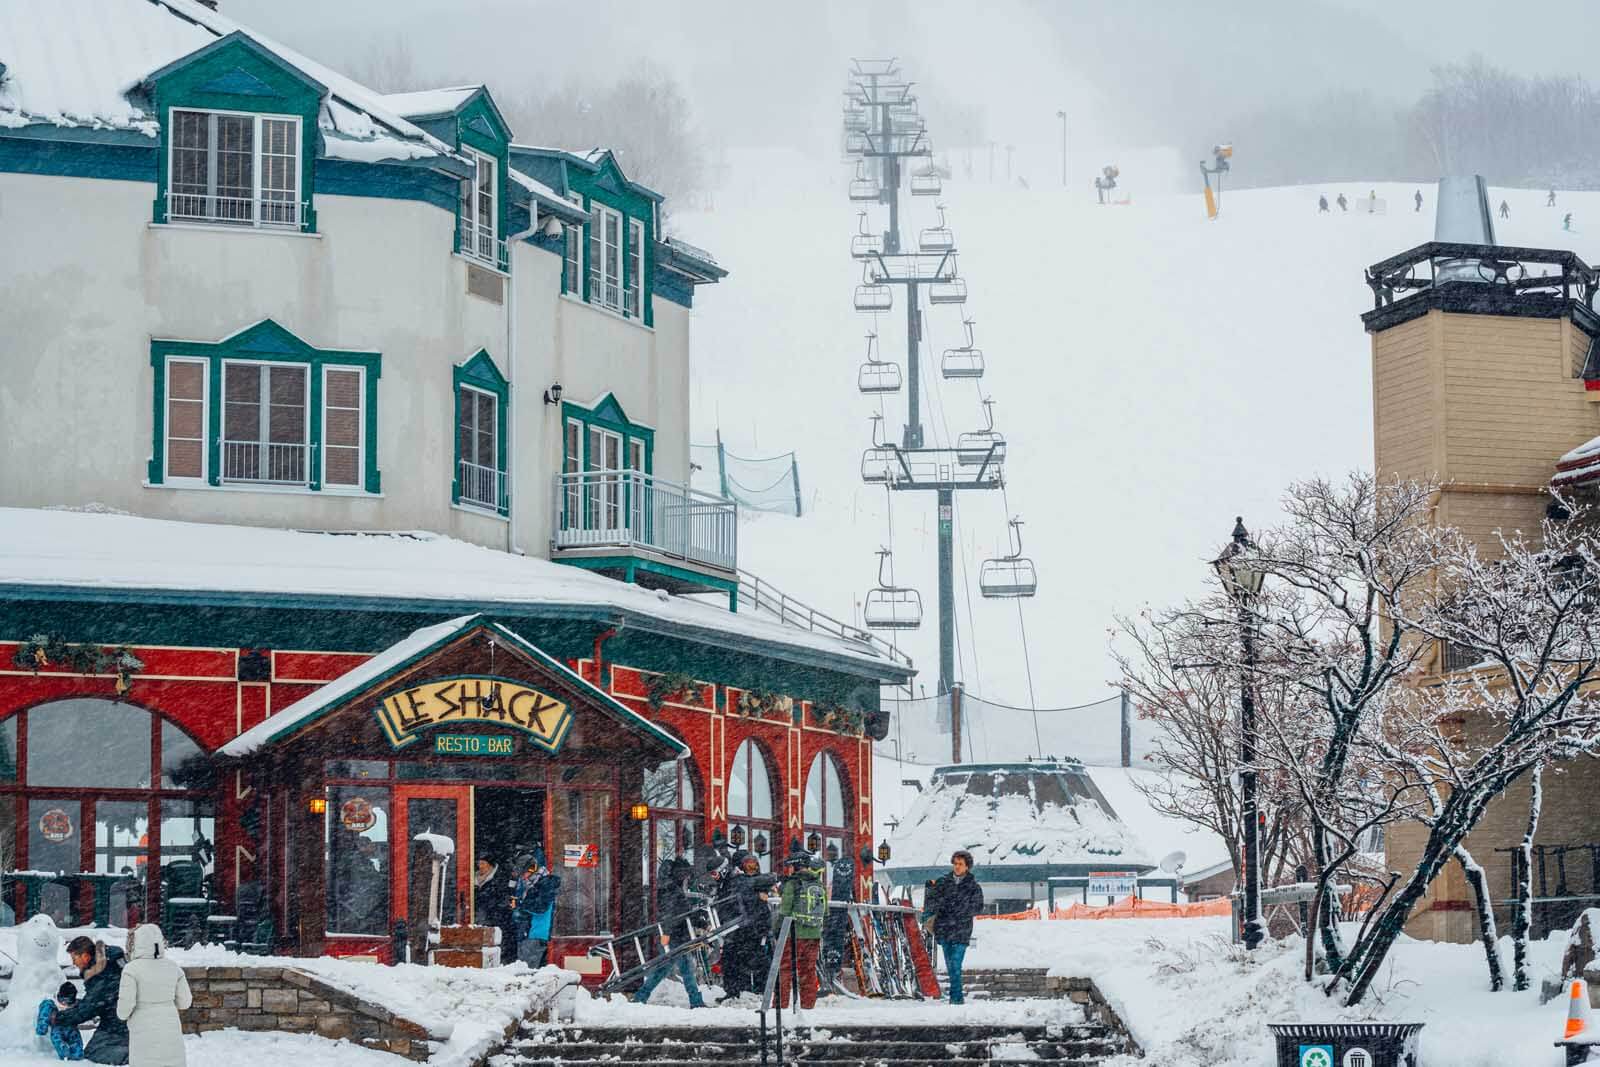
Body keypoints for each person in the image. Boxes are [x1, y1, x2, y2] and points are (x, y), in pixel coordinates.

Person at [632, 857, 706, 1008]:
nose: (687, 878)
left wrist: (699, 920)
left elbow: (681, 912)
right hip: (675, 936)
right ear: (680, 874)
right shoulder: (673, 891)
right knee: (685, 970)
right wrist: (668, 932)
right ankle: (696, 1002)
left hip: (674, 934)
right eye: (686, 875)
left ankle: (641, 996)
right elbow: (672, 914)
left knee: (664, 970)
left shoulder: (669, 889)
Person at [116, 924, 192, 1067]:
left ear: (137, 942)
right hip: (170, 1025)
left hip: (143, 1027)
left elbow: (124, 1009)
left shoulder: (131, 969)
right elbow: (185, 1002)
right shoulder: (173, 967)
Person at [922, 850, 984, 1006]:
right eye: (955, 863)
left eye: (960, 864)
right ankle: (956, 997)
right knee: (950, 965)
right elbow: (932, 902)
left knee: (956, 963)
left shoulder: (973, 886)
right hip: (944, 929)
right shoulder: (943, 882)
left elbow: (977, 907)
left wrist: (960, 910)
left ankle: (956, 998)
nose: (957, 867)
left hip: (961, 930)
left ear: (967, 867)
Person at [55, 935, 128, 1064]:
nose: (73, 963)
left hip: (117, 1026)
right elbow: (97, 1001)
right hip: (121, 1019)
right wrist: (76, 1005)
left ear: (85, 956)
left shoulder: (102, 974)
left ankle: (135, 1056)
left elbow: (89, 1009)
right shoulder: (109, 964)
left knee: (93, 1054)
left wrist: (57, 1017)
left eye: (74, 958)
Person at [774, 842, 827, 1011]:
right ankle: (807, 1005)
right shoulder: (818, 885)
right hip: (814, 934)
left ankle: (781, 1005)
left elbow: (785, 911)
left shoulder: (792, 884)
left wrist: (776, 931)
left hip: (793, 934)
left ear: (794, 867)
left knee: (785, 970)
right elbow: (825, 912)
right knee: (808, 971)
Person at [717, 851, 774, 1002]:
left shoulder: (753, 881)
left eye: (753, 864)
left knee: (756, 961)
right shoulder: (736, 881)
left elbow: (770, 879)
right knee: (733, 961)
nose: (751, 867)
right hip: (740, 927)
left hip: (752, 928)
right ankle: (737, 991)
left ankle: (755, 991)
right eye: (748, 864)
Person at [510, 856, 561, 968]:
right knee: (524, 968)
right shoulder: (530, 884)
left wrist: (520, 904)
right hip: (527, 933)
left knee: (527, 971)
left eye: (524, 873)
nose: (522, 877)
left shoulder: (546, 883)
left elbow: (540, 908)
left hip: (536, 933)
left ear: (532, 869)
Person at [819, 844, 854, 987]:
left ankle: (832, 973)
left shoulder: (831, 884)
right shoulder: (827, 885)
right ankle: (829, 973)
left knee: (834, 942)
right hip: (830, 917)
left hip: (833, 917)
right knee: (832, 942)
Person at [35, 982, 84, 1061]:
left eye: (69, 1001)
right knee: (58, 1040)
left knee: (76, 1041)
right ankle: (65, 1055)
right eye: (64, 1000)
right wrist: (42, 1027)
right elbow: (44, 1015)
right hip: (57, 1027)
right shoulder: (51, 1003)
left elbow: (85, 1009)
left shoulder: (76, 1003)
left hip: (71, 1027)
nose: (65, 1003)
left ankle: (77, 1056)